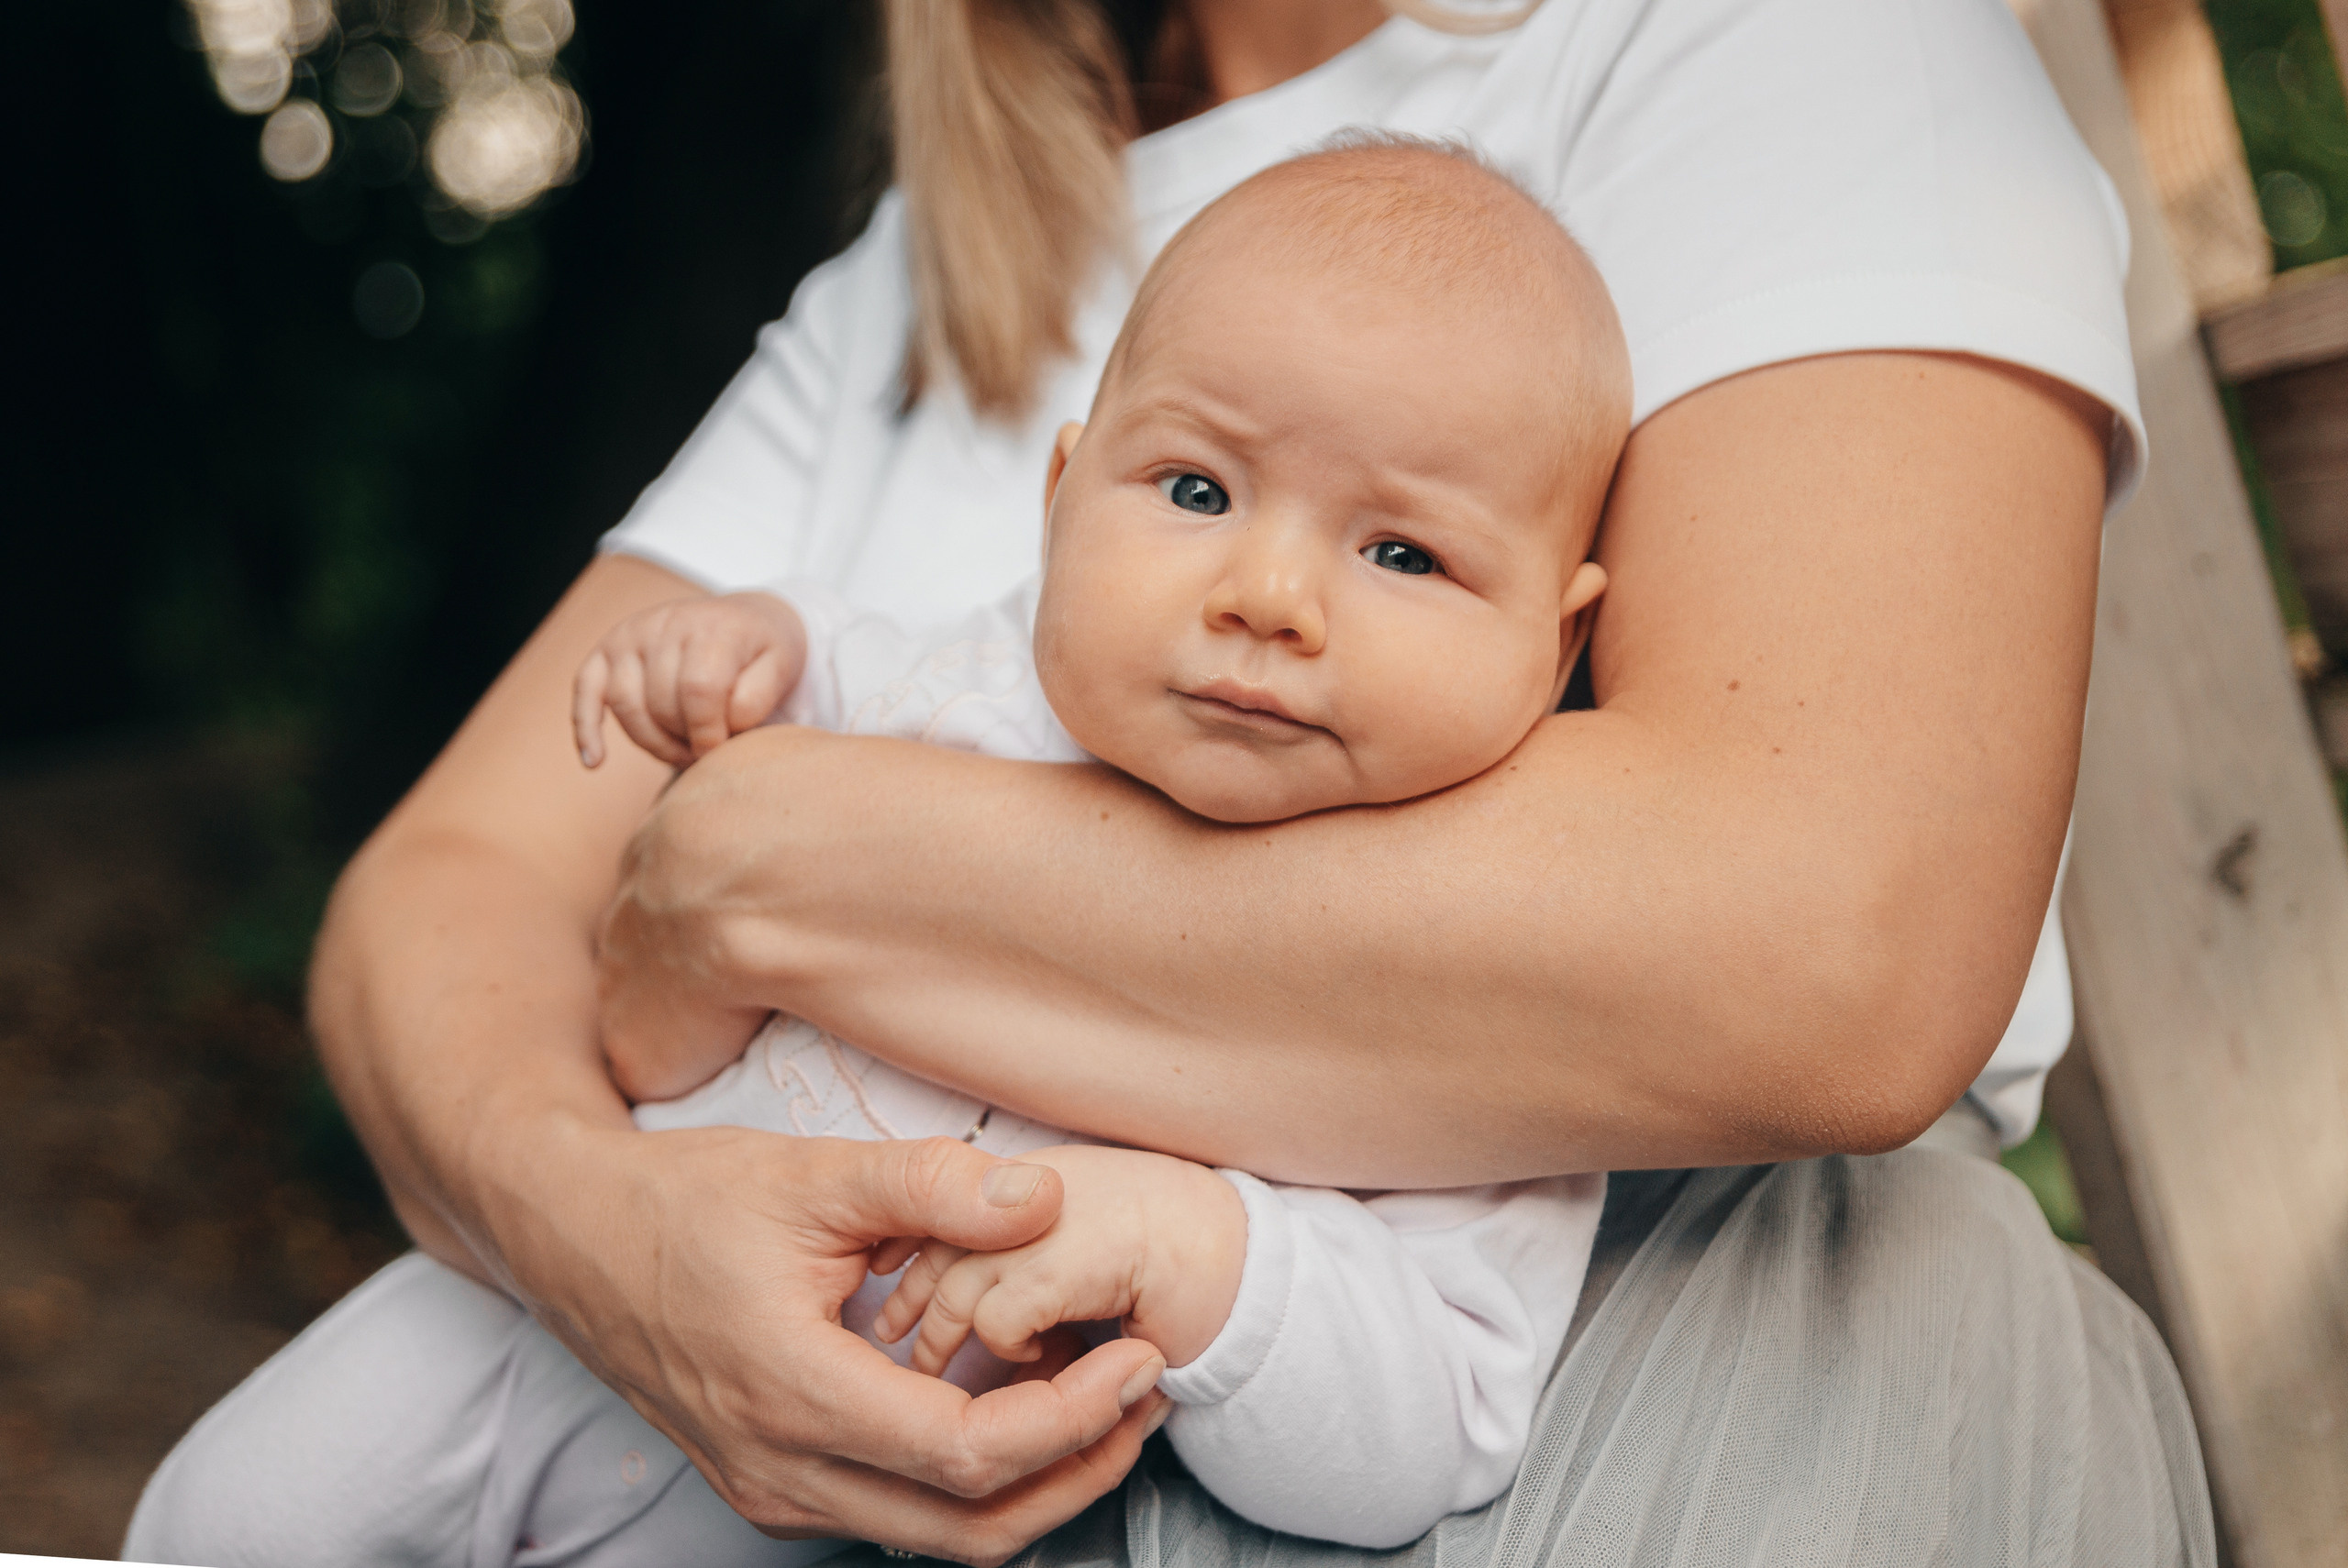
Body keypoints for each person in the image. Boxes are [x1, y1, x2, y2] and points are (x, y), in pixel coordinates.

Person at [127, 2, 2218, 1565]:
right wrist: (608, 1236)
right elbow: (458, 885)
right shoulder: (936, 261)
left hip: (1612, 1393)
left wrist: (790, 869)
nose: (1269, 602)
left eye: (1400, 552)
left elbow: (1820, 933)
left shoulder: (1774, 44)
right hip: (697, 1390)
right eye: (1188, 488)